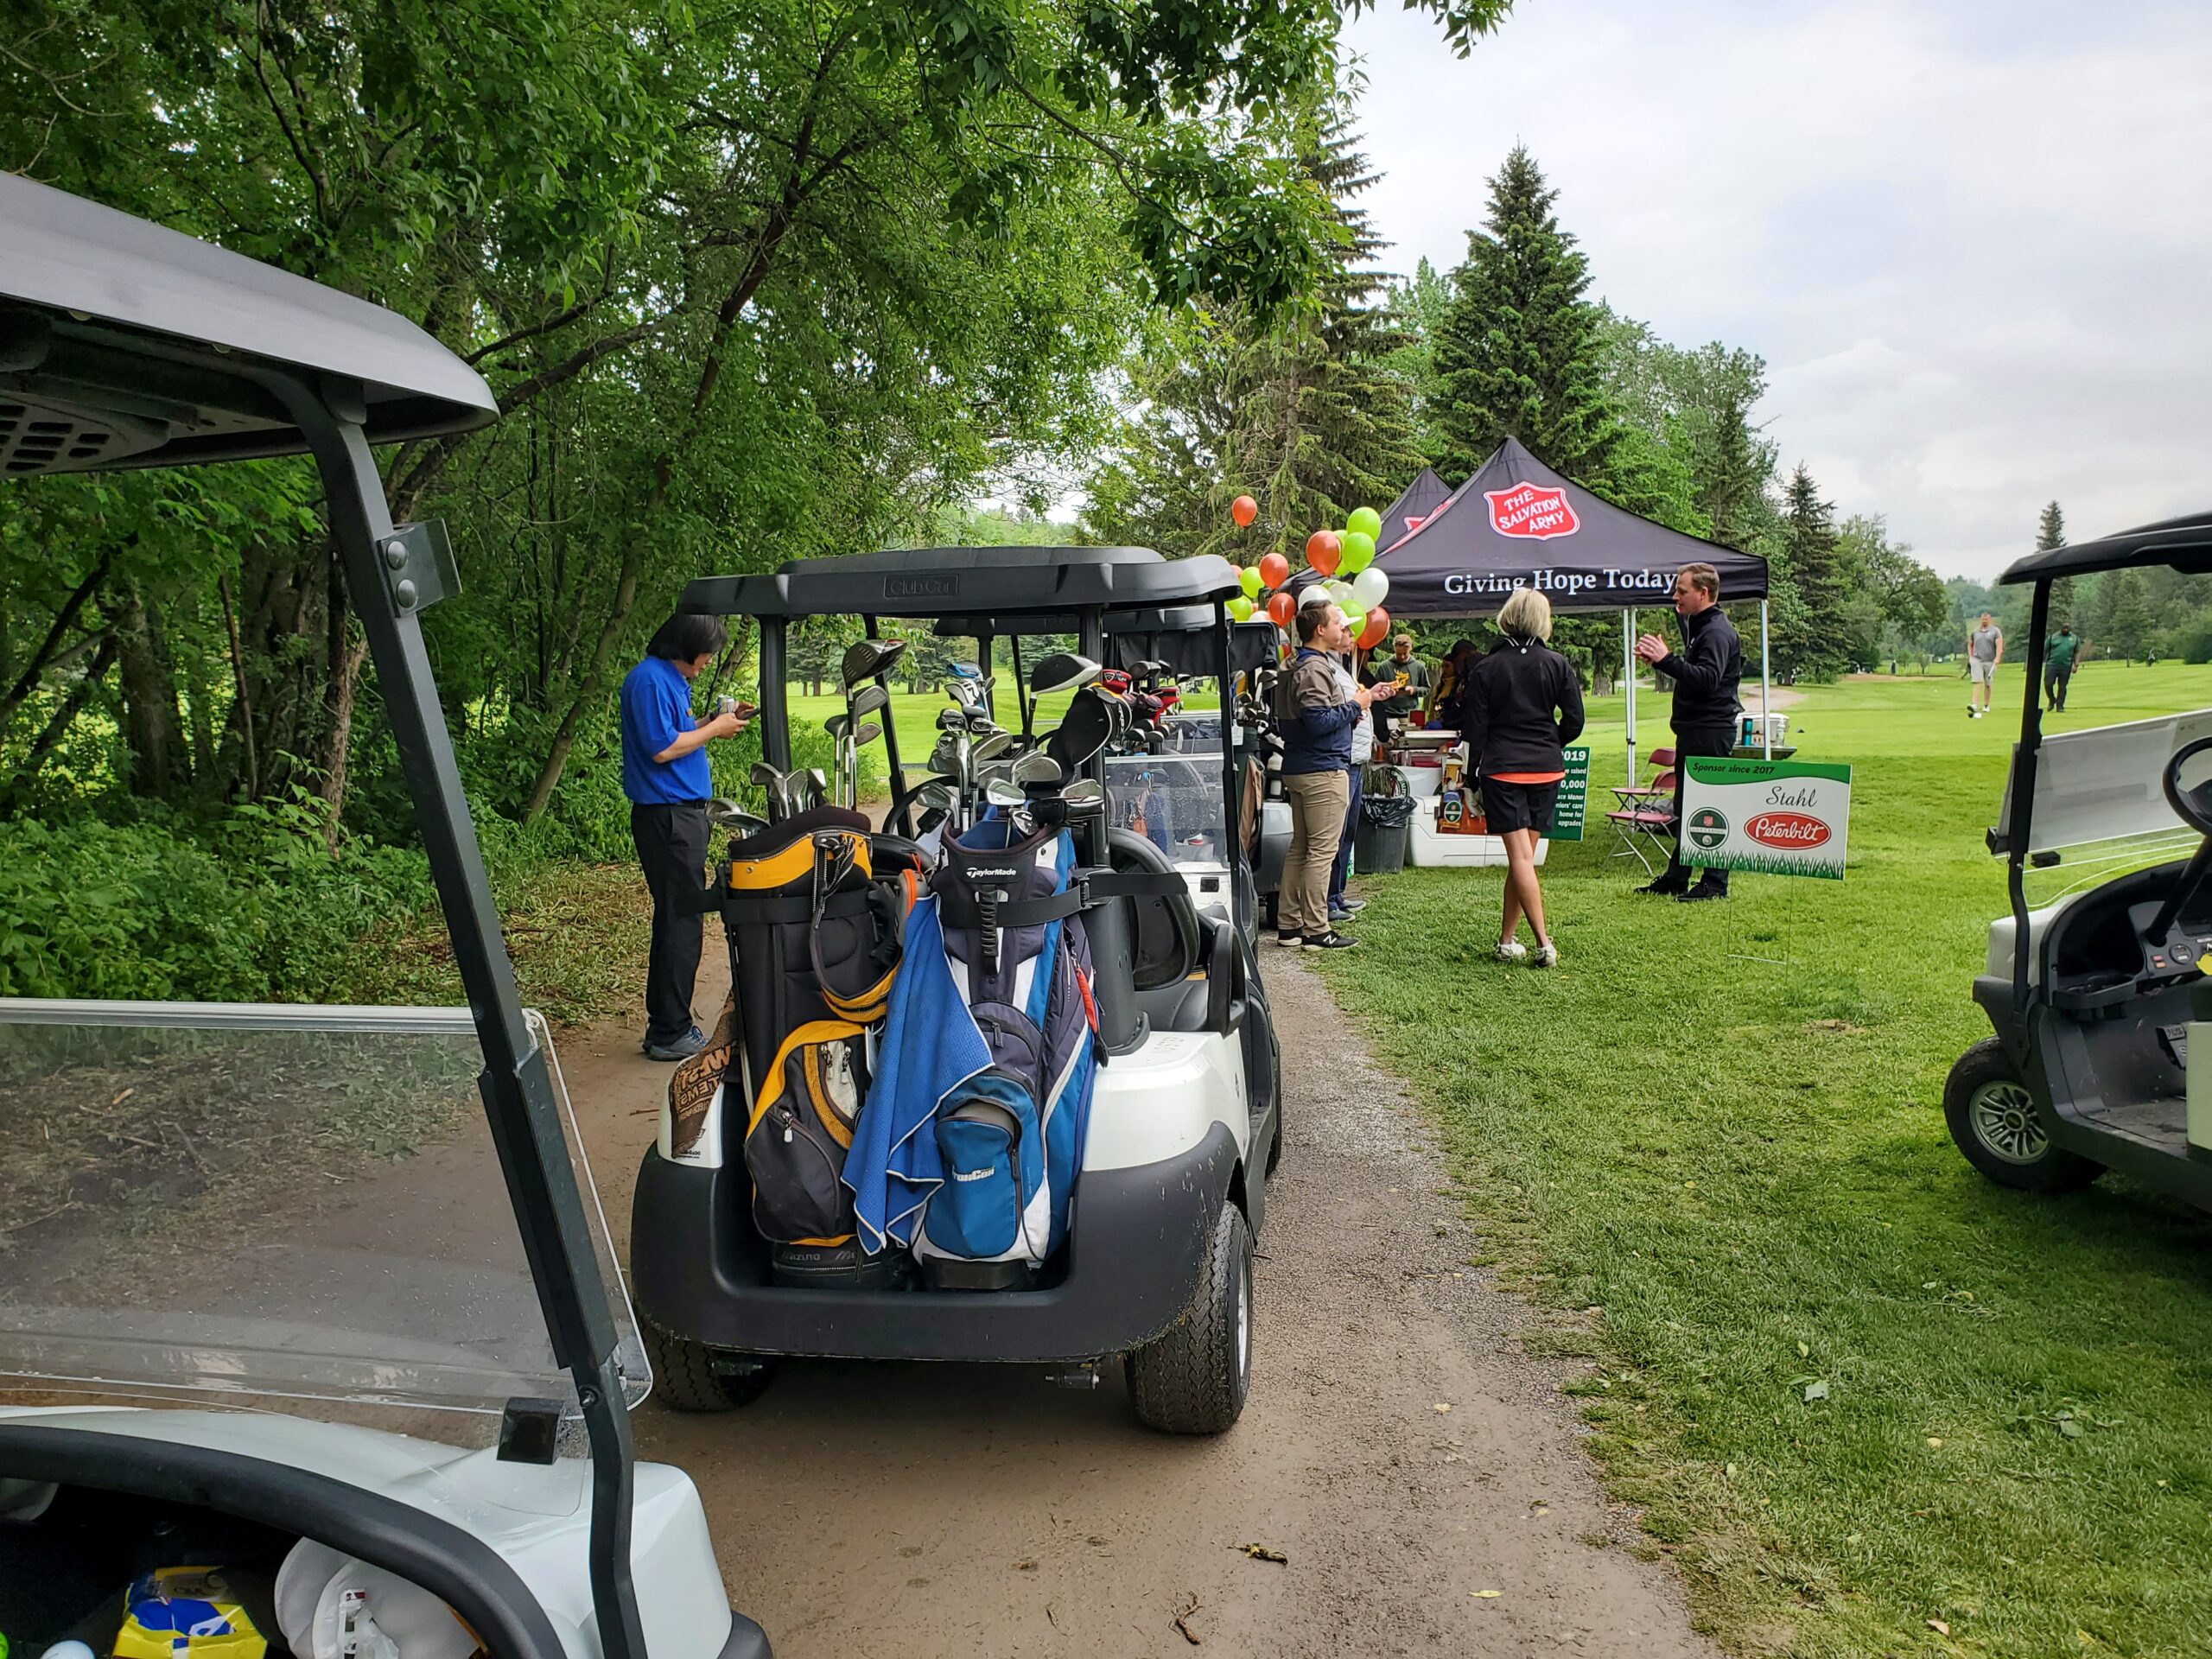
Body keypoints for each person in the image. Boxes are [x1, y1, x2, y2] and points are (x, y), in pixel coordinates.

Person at [620, 611, 750, 1059]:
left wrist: (716, 722)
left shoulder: (671, 680)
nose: (710, 661)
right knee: (681, 920)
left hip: (682, 815)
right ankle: (668, 1031)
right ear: (686, 646)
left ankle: (669, 1024)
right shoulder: (650, 681)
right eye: (707, 652)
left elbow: (679, 733)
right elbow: (661, 749)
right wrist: (715, 729)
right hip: (667, 816)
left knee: (681, 918)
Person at [1463, 588, 1584, 967]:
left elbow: (1475, 730)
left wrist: (1471, 777)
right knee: (1524, 858)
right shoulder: (1557, 662)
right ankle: (1506, 939)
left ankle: (1543, 943)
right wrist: (1550, 741)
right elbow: (1575, 721)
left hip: (1502, 767)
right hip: (1546, 767)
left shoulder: (1486, 667)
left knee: (1520, 859)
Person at [1275, 600, 1389, 950]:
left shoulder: (1294, 663)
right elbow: (1318, 721)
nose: (1344, 629)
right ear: (1320, 630)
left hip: (1300, 766)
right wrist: (1358, 705)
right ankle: (1315, 929)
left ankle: (1290, 925)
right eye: (1338, 623)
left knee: (1301, 848)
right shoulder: (1314, 669)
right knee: (1321, 852)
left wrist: (1348, 712)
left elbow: (1307, 719)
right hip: (1322, 769)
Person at [1634, 563, 1743, 902]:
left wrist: (1667, 660)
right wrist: (1664, 661)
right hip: (1695, 731)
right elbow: (1695, 672)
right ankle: (1678, 877)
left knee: (1710, 808)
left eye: (1681, 591)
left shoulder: (1716, 632)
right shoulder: (1700, 628)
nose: (1675, 596)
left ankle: (1714, 883)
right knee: (1687, 805)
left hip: (1710, 732)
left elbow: (1708, 679)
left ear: (1703, 593)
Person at [1327, 645, 1375, 925]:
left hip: (1356, 757)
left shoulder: (1341, 665)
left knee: (1348, 831)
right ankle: (1329, 898)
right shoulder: (1327, 667)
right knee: (1336, 832)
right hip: (1344, 759)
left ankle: (1338, 893)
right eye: (1343, 629)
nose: (1350, 637)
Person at [1369, 633, 1429, 746]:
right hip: (1388, 715)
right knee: (1386, 745)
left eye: (1405, 654)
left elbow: (1426, 689)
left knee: (1408, 745)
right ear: (1394, 649)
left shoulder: (1419, 667)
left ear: (1411, 648)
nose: (1402, 657)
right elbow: (1374, 689)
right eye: (1399, 653)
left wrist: (1414, 690)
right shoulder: (1384, 667)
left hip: (1409, 717)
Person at [1427, 638, 1478, 728]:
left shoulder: (1473, 676)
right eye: (1442, 666)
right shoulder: (1441, 686)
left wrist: (1445, 722)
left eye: (1447, 666)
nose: (1444, 670)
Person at [1967, 611, 2004, 719]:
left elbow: (1999, 645)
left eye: (1986, 619)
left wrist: (1997, 657)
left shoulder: (1995, 631)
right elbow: (1970, 644)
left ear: (1989, 620)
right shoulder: (1975, 632)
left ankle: (1986, 705)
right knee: (1977, 682)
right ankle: (1974, 704)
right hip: (1977, 660)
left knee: (1988, 684)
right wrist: (1970, 657)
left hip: (1990, 661)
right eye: (1982, 619)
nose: (1984, 621)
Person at [2044, 622, 2080, 711]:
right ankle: (2052, 700)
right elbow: (2045, 649)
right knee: (2048, 684)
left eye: (2067, 628)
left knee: (2062, 686)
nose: (2065, 630)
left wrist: (2076, 664)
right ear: (2061, 628)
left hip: (2066, 665)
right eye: (2064, 628)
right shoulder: (2053, 637)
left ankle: (2060, 706)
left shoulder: (2074, 638)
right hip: (2052, 664)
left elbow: (2077, 652)